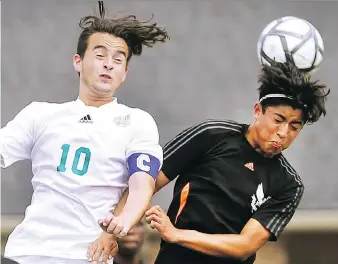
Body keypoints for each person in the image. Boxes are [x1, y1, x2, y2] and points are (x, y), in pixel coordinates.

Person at [102, 62, 329, 264]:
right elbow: (145, 184)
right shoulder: (211, 135)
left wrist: (176, 234)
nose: (283, 132)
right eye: (278, 120)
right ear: (258, 111)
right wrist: (114, 229)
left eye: (294, 127)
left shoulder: (289, 185)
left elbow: (244, 246)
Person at [0, 1, 169, 264]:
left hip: (87, 256)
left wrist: (122, 221)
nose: (108, 65)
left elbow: (141, 186)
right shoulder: (40, 114)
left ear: (125, 72)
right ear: (78, 62)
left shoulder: (137, 122)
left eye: (118, 59)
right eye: (100, 56)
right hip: (27, 252)